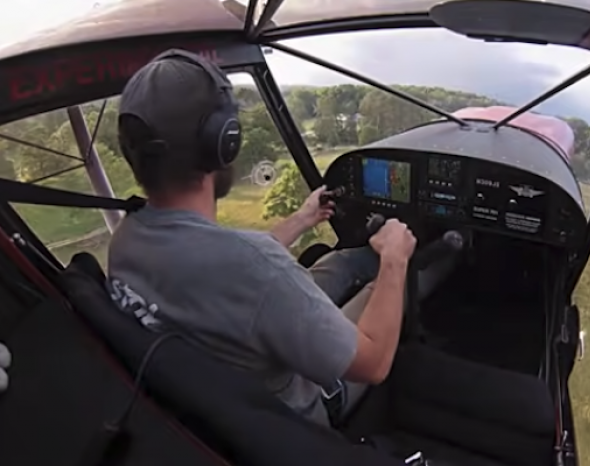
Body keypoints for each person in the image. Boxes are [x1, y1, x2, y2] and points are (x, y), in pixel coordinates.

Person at [107, 49, 454, 427]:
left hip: (212, 404)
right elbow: (372, 363)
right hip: (299, 411)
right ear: (225, 141)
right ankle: (449, 254)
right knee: (393, 285)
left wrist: (302, 220)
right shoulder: (256, 267)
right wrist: (395, 259)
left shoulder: (126, 240)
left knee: (339, 261)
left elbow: (226, 265)